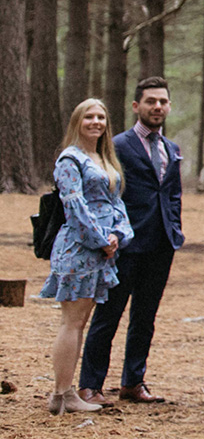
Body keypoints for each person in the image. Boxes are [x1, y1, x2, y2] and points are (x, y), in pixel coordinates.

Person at [79, 77, 182, 407]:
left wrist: (175, 227)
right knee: (108, 316)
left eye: (163, 101)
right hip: (125, 244)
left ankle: (133, 382)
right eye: (151, 101)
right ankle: (90, 385)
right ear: (136, 106)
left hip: (162, 244)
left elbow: (172, 193)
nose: (157, 107)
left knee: (145, 318)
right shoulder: (119, 146)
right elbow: (106, 194)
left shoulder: (172, 149)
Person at [43, 98, 133, 416]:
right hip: (78, 249)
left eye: (101, 117)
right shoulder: (70, 159)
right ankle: (60, 393)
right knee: (71, 321)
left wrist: (118, 236)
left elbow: (117, 203)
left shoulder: (104, 158)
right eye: (88, 117)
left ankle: (67, 392)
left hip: (102, 251)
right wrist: (99, 240)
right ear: (77, 122)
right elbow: (75, 205)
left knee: (81, 322)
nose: (95, 122)